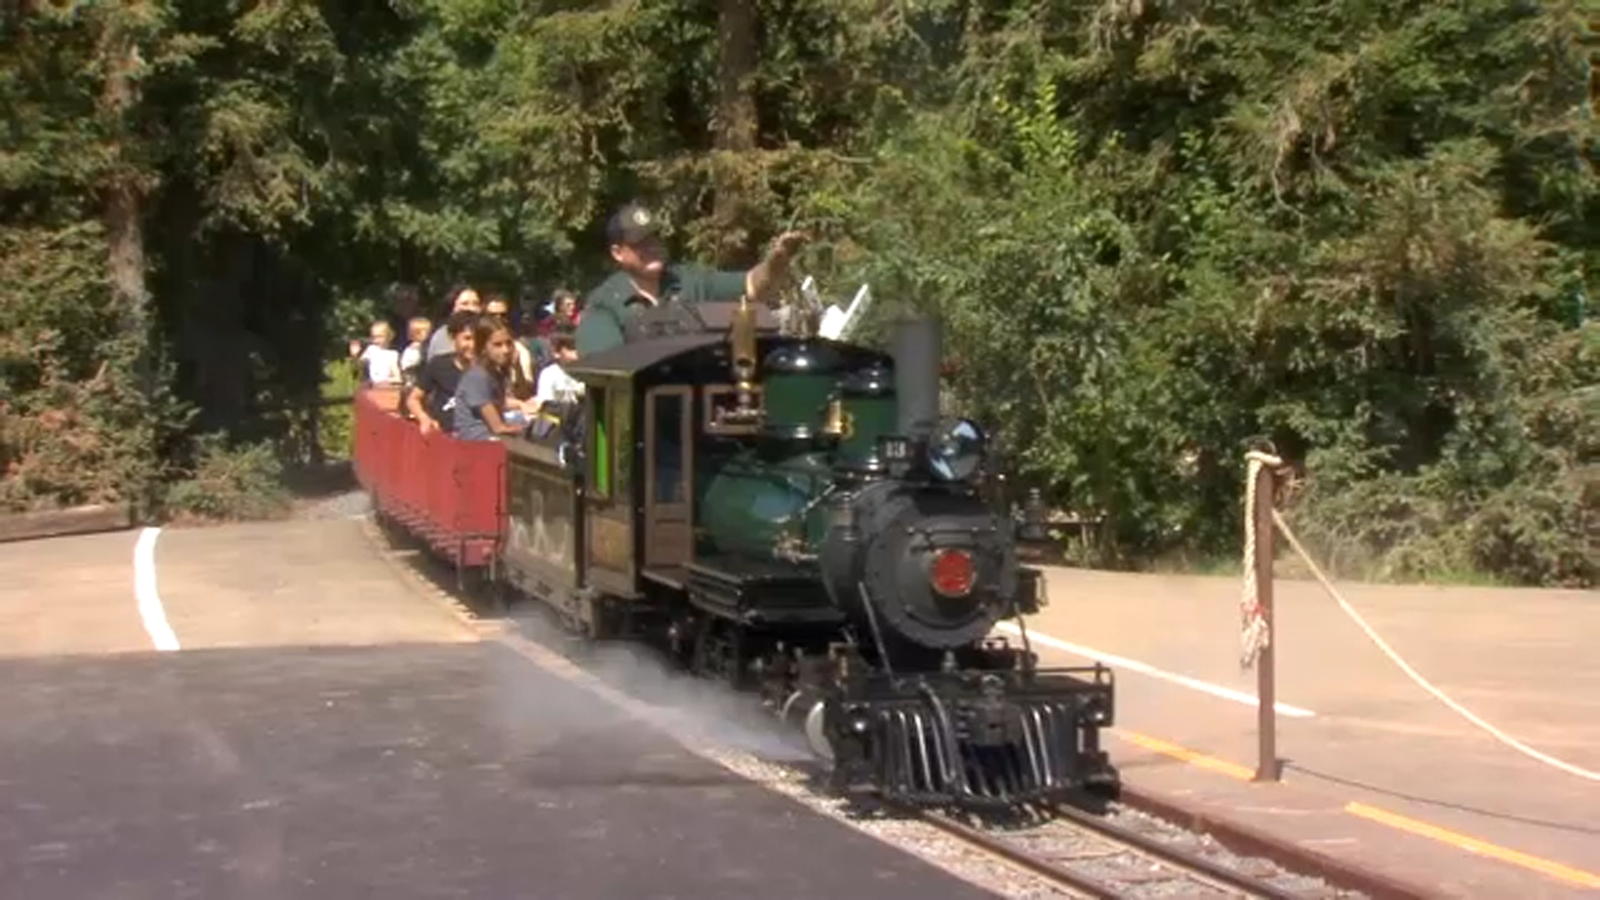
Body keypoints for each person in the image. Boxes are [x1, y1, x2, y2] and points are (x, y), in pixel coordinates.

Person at [575, 203, 807, 357]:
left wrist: (776, 262)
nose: (652, 247)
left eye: (656, 239)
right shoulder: (604, 304)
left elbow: (753, 286)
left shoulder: (691, 281)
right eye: (640, 244)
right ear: (617, 253)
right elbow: (606, 369)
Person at [453, 316, 528, 441]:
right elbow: (497, 427)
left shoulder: (495, 373)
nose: (506, 350)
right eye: (497, 345)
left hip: (491, 436)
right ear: (483, 348)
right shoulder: (477, 376)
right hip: (476, 441)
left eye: (508, 343)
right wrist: (523, 429)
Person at [406, 310, 477, 434]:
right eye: (467, 338)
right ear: (452, 337)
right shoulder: (439, 364)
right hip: (444, 434)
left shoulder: (487, 369)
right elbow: (413, 399)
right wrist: (424, 418)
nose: (473, 345)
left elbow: (500, 401)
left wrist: (520, 404)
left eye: (478, 339)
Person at [426, 285, 482, 360]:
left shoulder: (485, 330)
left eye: (476, 304)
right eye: (465, 304)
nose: (471, 308)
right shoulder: (442, 336)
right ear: (452, 308)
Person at [350, 320, 402, 387]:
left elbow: (398, 378)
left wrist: (384, 381)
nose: (376, 340)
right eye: (373, 337)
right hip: (372, 388)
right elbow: (358, 367)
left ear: (388, 336)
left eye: (380, 337)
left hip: (385, 388)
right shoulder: (371, 350)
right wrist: (355, 356)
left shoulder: (392, 354)